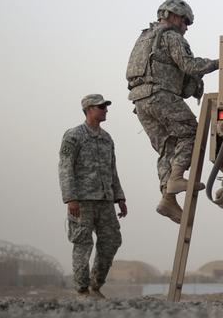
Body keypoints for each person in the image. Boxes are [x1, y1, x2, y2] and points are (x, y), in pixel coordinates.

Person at [126, 0, 219, 224]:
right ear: (173, 16)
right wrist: (220, 62)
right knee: (191, 133)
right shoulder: (170, 36)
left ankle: (167, 198)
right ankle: (176, 178)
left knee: (168, 145)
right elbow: (189, 65)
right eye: (185, 22)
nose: (186, 27)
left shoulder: (145, 37)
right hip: (160, 95)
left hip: (140, 101)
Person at [58, 94, 128, 299]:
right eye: (101, 107)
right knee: (83, 244)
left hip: (105, 201)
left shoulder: (107, 138)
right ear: (89, 110)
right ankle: (82, 290)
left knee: (112, 240)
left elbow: (112, 169)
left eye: (106, 106)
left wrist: (120, 198)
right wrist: (70, 197)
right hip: (82, 201)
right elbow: (65, 167)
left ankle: (96, 286)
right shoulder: (73, 136)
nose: (105, 110)